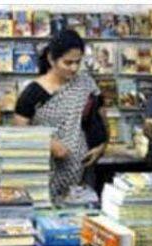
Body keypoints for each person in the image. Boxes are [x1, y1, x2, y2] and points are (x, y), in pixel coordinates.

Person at [13, 29, 106, 201]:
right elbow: (19, 132)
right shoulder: (33, 92)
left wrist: (101, 146)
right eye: (68, 62)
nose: (74, 68)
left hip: (82, 171)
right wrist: (47, 142)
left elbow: (100, 115)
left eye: (78, 62)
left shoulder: (86, 83)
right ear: (51, 59)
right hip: (45, 173)